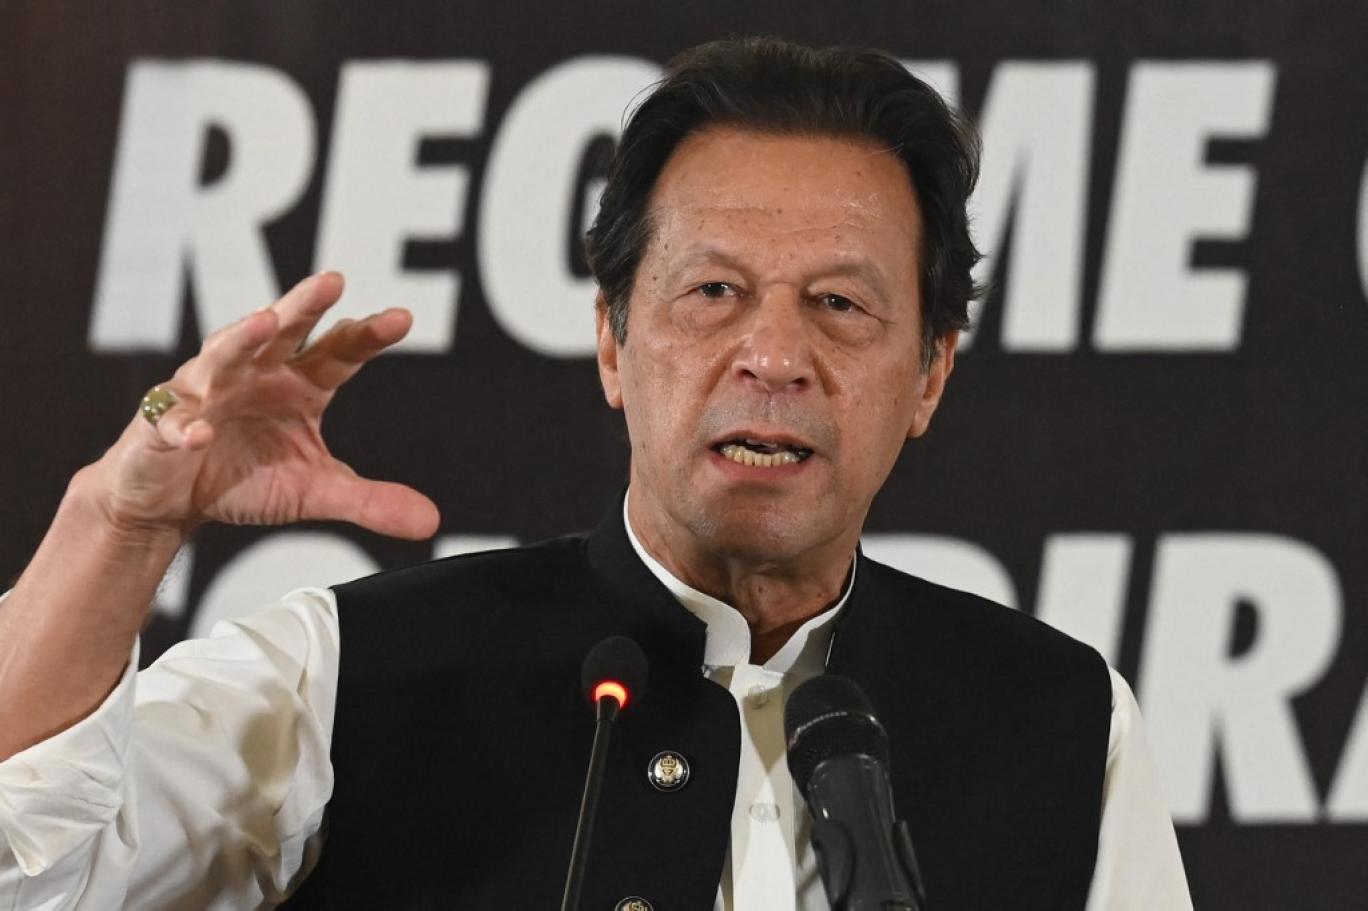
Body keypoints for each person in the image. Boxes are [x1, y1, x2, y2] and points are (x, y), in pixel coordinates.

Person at [0, 38, 1191, 910]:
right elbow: (26, 868)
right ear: (614, 342)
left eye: (839, 304)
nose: (774, 355)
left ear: (929, 373)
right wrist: (122, 521)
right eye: (713, 292)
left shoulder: (1062, 721)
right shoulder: (351, 675)